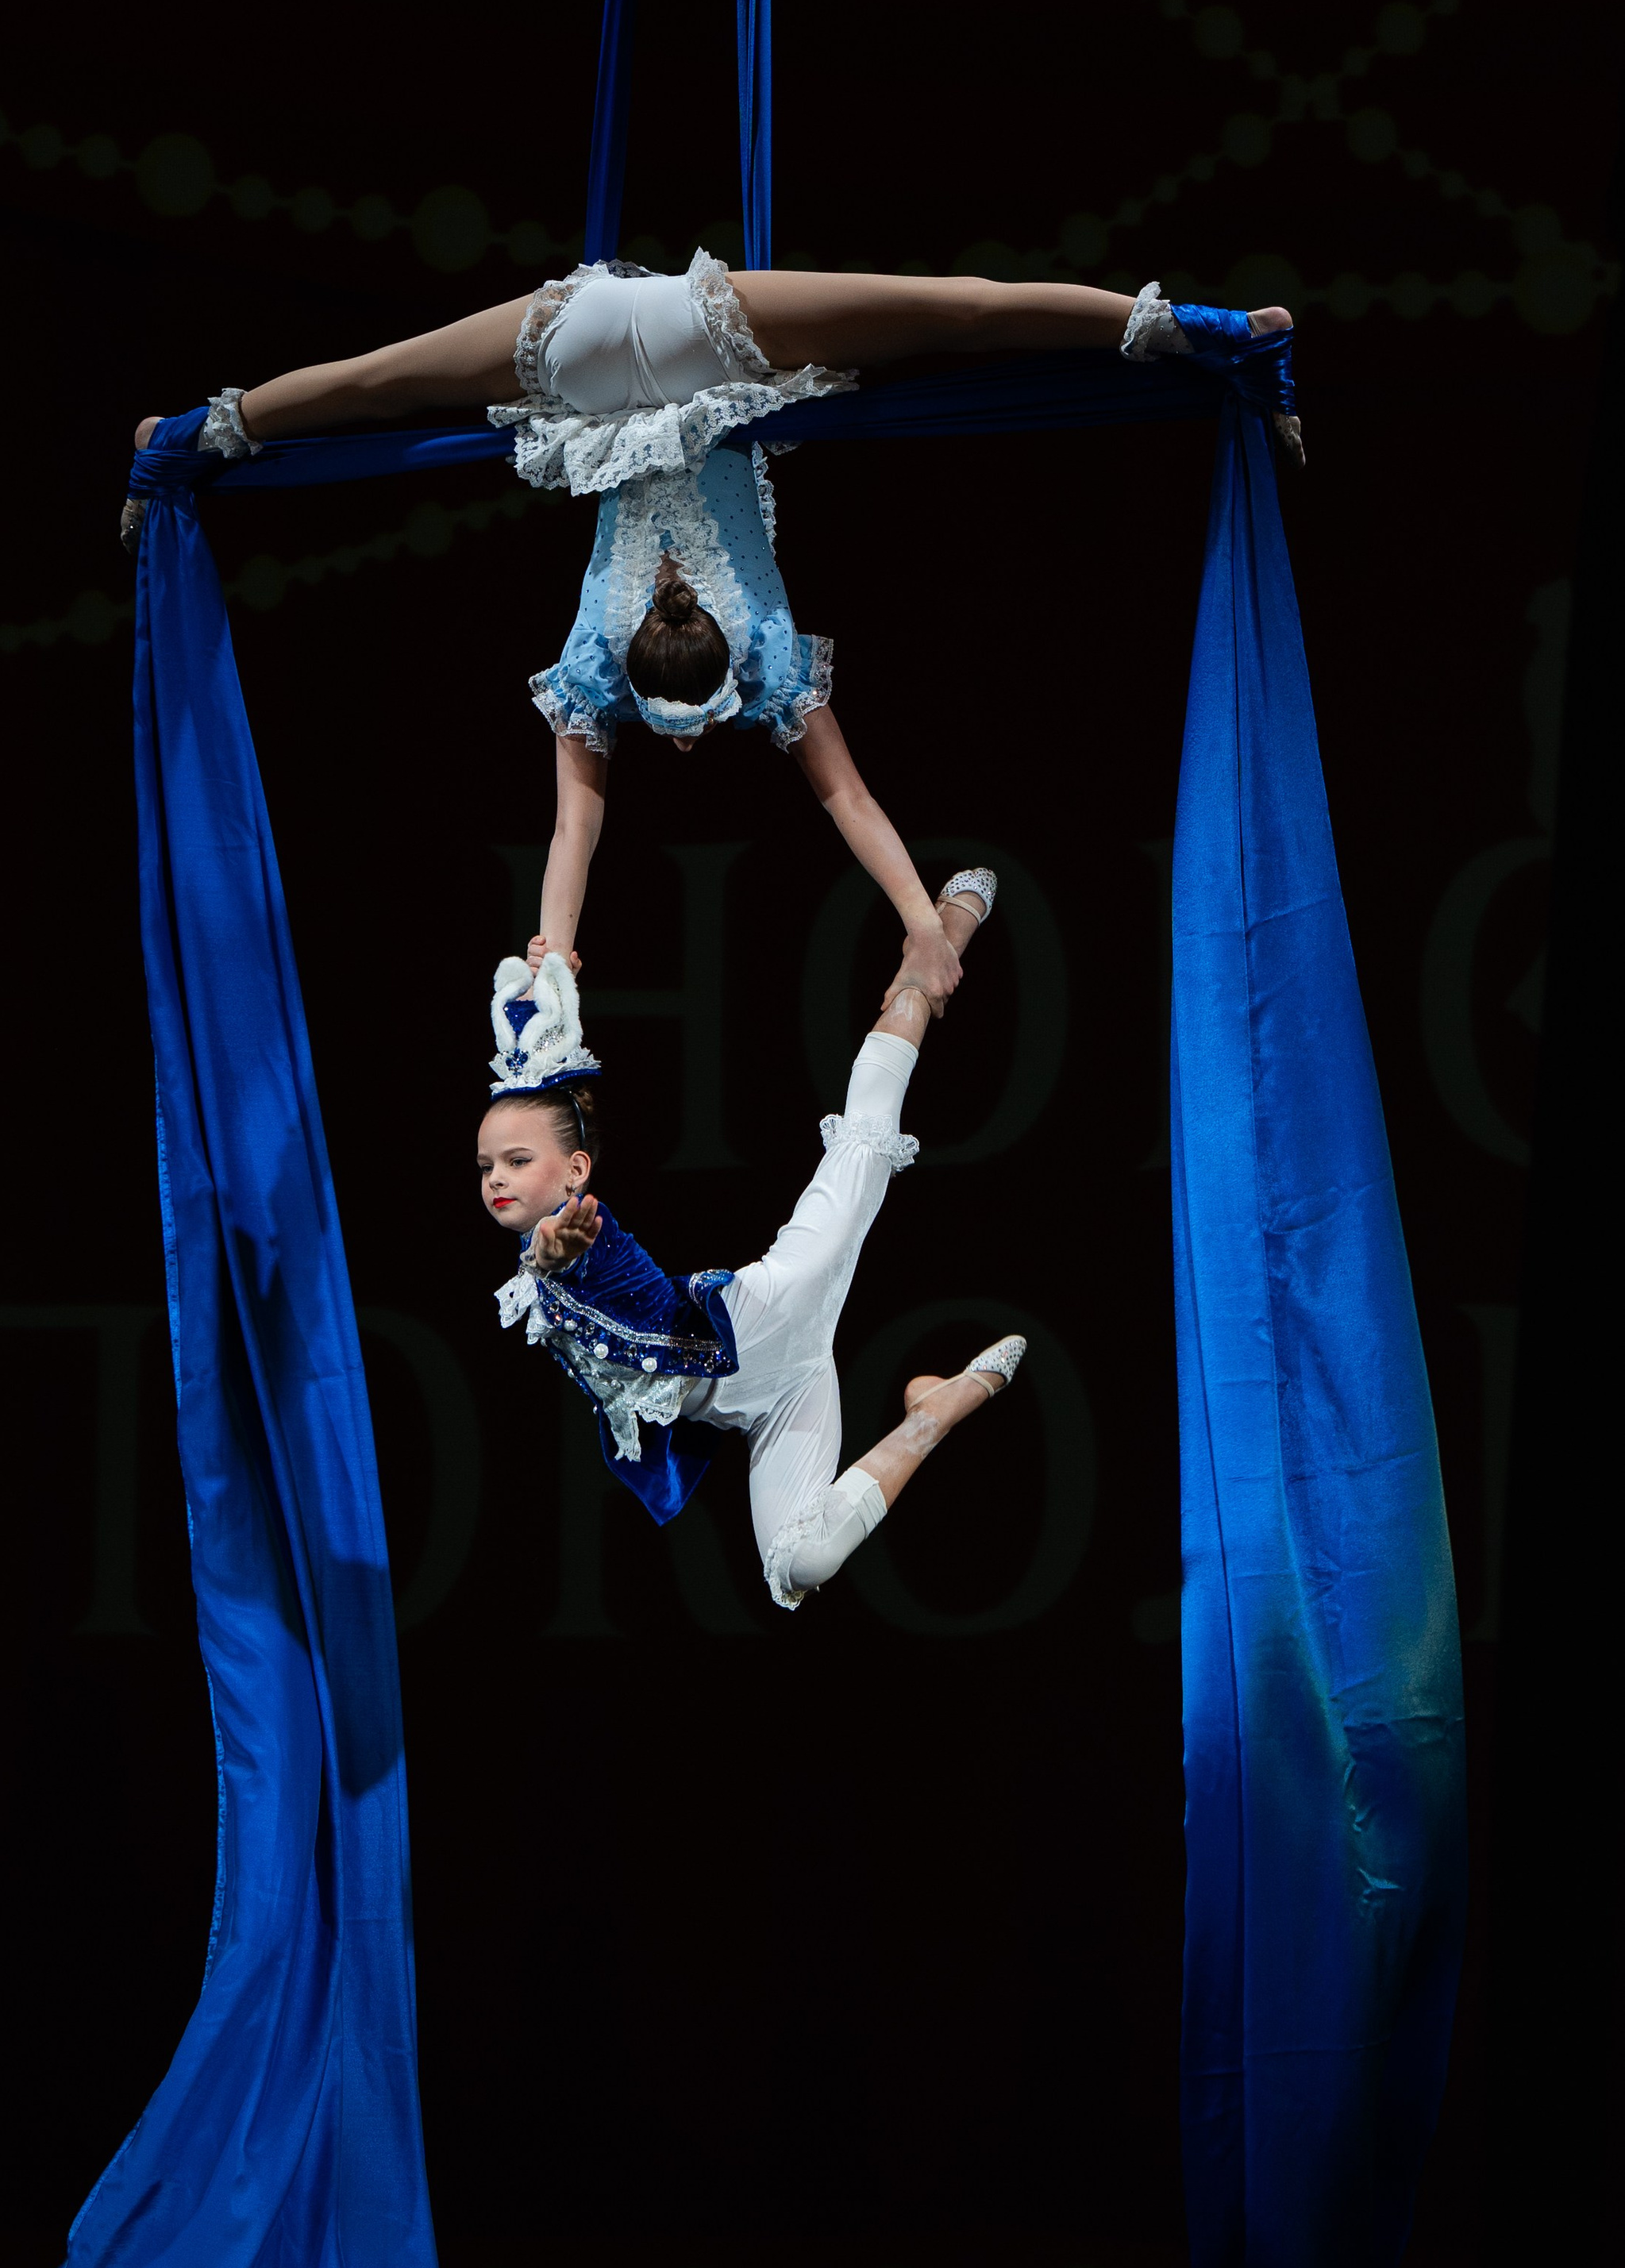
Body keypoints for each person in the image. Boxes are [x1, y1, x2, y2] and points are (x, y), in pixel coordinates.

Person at [134, 257, 1297, 1006]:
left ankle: (186, 433)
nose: (685, 749)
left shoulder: (749, 660)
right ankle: (1207, 324)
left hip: (659, 346)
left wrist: (915, 926)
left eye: (679, 735)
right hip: (586, 342)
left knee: (376, 383)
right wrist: (550, 944)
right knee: (957, 306)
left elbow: (823, 799)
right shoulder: (616, 657)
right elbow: (582, 825)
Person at [476, 897, 1022, 1613]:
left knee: (864, 1144)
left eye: (517, 1161)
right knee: (799, 1563)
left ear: (576, 1170)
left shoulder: (580, 1236)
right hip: (764, 1399)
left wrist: (555, 1253)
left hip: (769, 1316)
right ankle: (932, 1411)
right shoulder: (538, 1250)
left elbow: (574, 1253)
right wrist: (546, 973)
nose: (496, 1179)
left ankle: (932, 953)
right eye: (486, 1165)